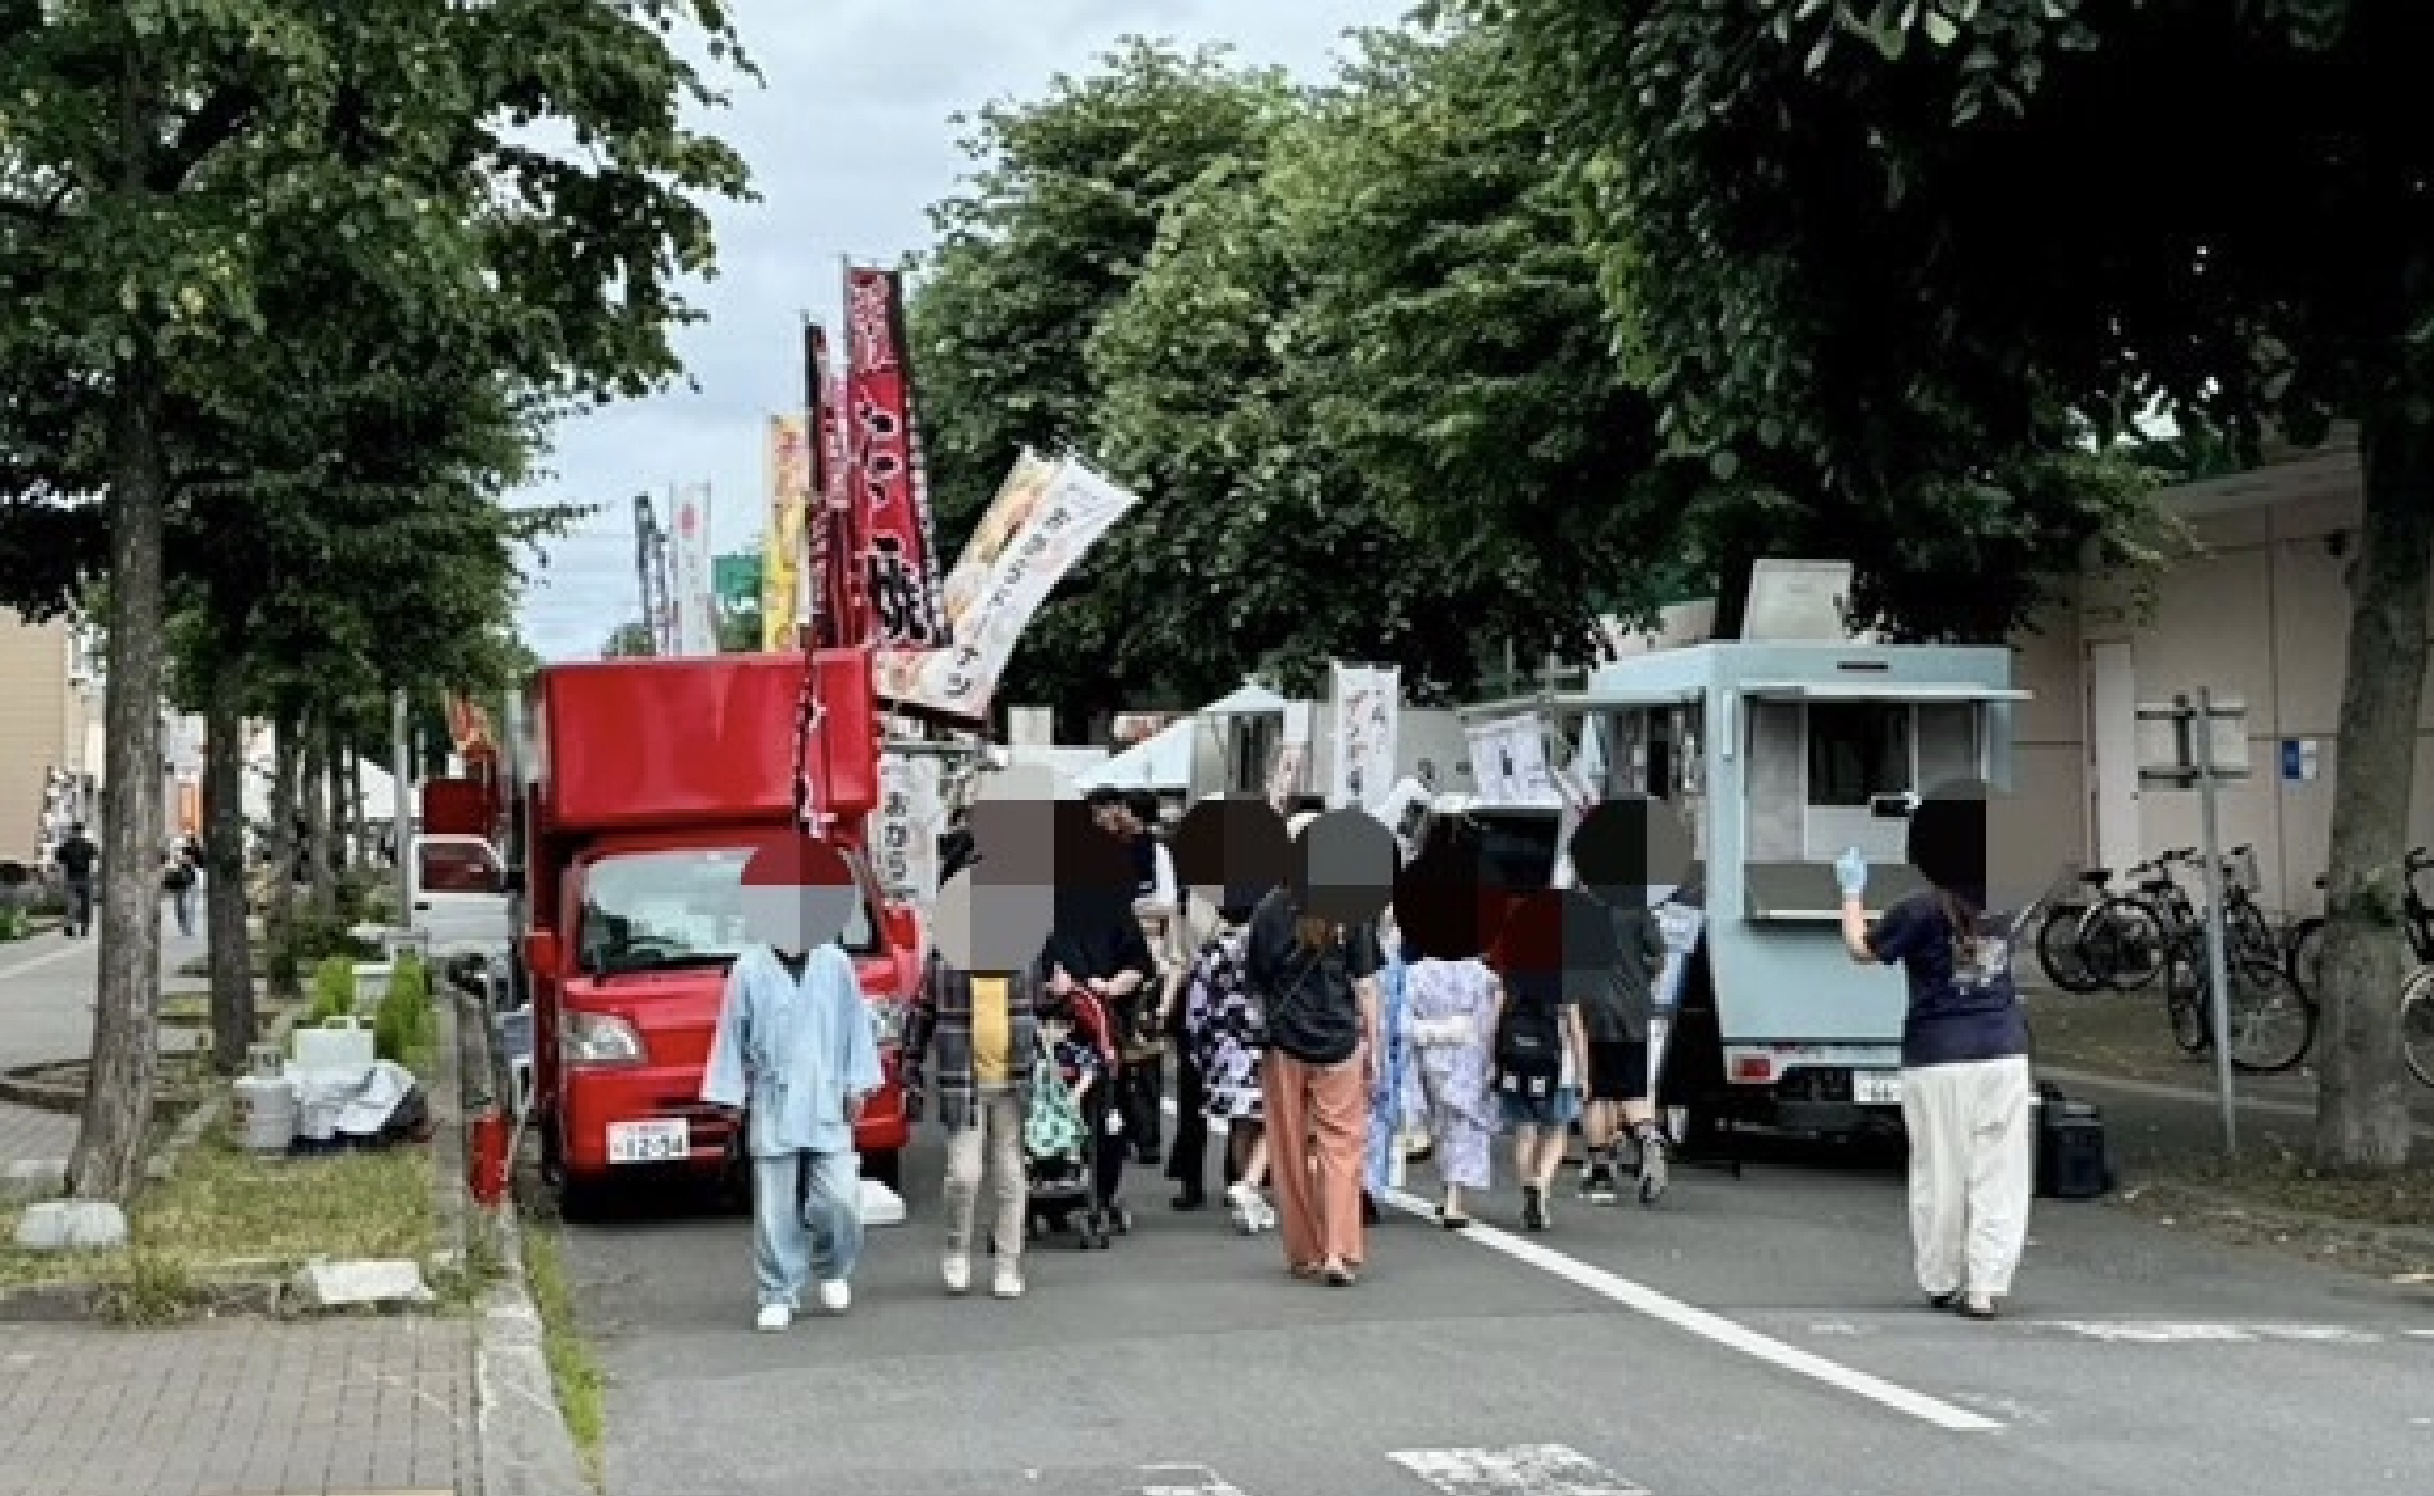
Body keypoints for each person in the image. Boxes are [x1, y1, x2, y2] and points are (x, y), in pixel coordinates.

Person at [1835, 782, 2032, 1320]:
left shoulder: (1918, 910)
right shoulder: (2009, 901)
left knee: (1940, 1173)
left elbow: (1860, 950)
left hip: (1937, 1056)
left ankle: (1942, 1278)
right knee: (2001, 1174)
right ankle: (1986, 1286)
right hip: (2004, 1051)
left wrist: (1851, 894)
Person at [699, 838, 882, 1331]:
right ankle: (777, 1290)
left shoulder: (836, 964)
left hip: (826, 1094)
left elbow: (856, 1029)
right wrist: (730, 1097)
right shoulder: (749, 969)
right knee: (774, 1205)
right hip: (774, 1099)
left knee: (840, 1199)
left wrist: (859, 1086)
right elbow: (730, 1035)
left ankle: (834, 1263)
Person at [1245, 811, 1391, 1285]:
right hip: (1339, 1041)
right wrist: (1376, 1046)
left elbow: (1258, 981)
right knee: (1342, 1148)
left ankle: (1304, 1250)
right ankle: (1338, 1250)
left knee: (1288, 1150)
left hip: (1285, 1042)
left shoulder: (1269, 909)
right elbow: (1366, 985)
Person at [1490, 890, 1591, 1233]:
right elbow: (1576, 1029)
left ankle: (1527, 1187)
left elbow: (1495, 1018)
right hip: (1555, 1065)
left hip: (1516, 1061)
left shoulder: (1512, 971)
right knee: (1557, 1129)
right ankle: (1541, 1184)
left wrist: (1493, 1058)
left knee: (1524, 1131)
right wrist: (1583, 1074)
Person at [1181, 888, 1274, 1230]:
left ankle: (1246, 1193)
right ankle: (1249, 1184)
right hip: (1261, 1045)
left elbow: (1196, 1007)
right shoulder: (1266, 944)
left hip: (1224, 1048)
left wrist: (1200, 1052)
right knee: (1274, 1120)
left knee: (1242, 1122)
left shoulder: (1212, 951)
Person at [52, 823, 97, 937]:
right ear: (82, 832)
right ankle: (84, 927)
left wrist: (60, 877)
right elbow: (93, 861)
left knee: (71, 903)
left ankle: (69, 926)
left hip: (71, 877)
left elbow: (59, 862)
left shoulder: (65, 846)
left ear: (72, 831)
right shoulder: (89, 846)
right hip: (85, 877)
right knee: (86, 904)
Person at [162, 841, 200, 938]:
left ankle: (188, 927)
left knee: (187, 907)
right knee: (180, 907)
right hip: (179, 885)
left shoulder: (188, 860)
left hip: (188, 884)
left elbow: (193, 873)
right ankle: (185, 927)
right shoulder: (173, 860)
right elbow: (168, 874)